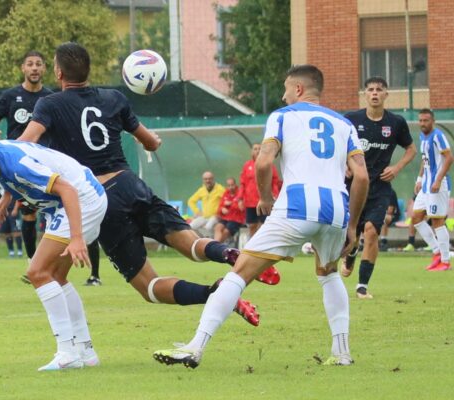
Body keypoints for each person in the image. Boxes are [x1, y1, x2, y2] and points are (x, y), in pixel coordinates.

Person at [12, 42, 280, 323]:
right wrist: (154, 140)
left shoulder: (49, 104)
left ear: (57, 72)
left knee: (150, 287)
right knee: (192, 245)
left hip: (99, 199)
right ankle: (229, 252)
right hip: (130, 185)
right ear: (88, 70)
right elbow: (151, 143)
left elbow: (24, 146)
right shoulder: (114, 98)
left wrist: (2, 156)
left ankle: (216, 293)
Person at [152, 64, 369, 369]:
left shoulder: (282, 117)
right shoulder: (345, 124)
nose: (282, 95)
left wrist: (266, 199)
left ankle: (195, 347)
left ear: (298, 89)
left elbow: (264, 162)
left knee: (238, 273)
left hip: (295, 207)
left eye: (285, 88)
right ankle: (342, 353)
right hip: (336, 209)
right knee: (329, 273)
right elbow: (361, 176)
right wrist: (353, 225)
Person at [0, 127, 106, 371]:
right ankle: (85, 350)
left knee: (37, 272)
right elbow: (12, 179)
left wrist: (76, 238)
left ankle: (67, 352)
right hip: (75, 198)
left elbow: (67, 189)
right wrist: (8, 199)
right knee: (56, 277)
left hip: (80, 198)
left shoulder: (16, 164)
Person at [341, 76, 417, 299]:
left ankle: (362, 285)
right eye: (370, 89)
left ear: (386, 94)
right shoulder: (351, 120)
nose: (374, 93)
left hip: (380, 187)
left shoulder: (396, 123)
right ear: (365, 94)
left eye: (379, 89)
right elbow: (338, 145)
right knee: (350, 233)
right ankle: (352, 250)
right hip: (354, 185)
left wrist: (397, 167)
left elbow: (411, 149)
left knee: (372, 231)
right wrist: (345, 164)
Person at [0, 50, 54, 266]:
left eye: (38, 64)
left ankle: (50, 261)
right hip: (20, 164)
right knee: (29, 215)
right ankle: (33, 262)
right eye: (30, 64)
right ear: (23, 68)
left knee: (53, 213)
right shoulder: (9, 96)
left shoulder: (51, 97)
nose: (34, 68)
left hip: (46, 161)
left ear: (44, 69)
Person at [410, 108, 453, 271]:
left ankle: (445, 260)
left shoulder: (438, 136)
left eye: (426, 120)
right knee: (416, 217)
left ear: (432, 121)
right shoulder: (423, 136)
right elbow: (425, 159)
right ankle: (437, 252)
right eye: (420, 120)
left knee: (437, 221)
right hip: (426, 185)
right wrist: (420, 179)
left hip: (438, 185)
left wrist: (438, 179)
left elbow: (449, 158)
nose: (422, 123)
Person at [238, 143, 281, 238]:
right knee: (252, 225)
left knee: (264, 224)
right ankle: (252, 246)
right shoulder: (247, 165)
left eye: (259, 149)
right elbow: (242, 183)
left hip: (264, 200)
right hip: (250, 202)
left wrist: (275, 195)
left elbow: (275, 182)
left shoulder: (268, 165)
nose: (257, 150)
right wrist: (240, 199)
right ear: (252, 151)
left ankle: (261, 246)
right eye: (255, 149)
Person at [188, 172, 225, 237]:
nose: (208, 181)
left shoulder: (220, 189)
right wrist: (197, 211)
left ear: (213, 179)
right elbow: (191, 201)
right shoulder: (201, 190)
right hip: (204, 216)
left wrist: (221, 213)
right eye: (205, 179)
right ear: (203, 180)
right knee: (190, 227)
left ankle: (211, 243)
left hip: (215, 216)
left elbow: (226, 201)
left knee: (208, 227)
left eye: (210, 179)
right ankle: (200, 241)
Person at [0, 184, 23, 257]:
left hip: (12, 210)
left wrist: (16, 209)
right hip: (3, 211)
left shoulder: (11, 182)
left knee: (16, 231)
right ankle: (11, 251)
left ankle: (20, 251)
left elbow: (18, 197)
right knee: (7, 232)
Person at [213, 177, 245, 244]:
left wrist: (230, 204)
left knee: (225, 231)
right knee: (217, 227)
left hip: (236, 219)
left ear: (235, 184)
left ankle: (216, 247)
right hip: (226, 218)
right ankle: (215, 245)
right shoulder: (226, 193)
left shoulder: (240, 193)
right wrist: (222, 209)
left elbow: (242, 208)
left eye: (232, 185)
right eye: (229, 185)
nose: (231, 187)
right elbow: (220, 207)